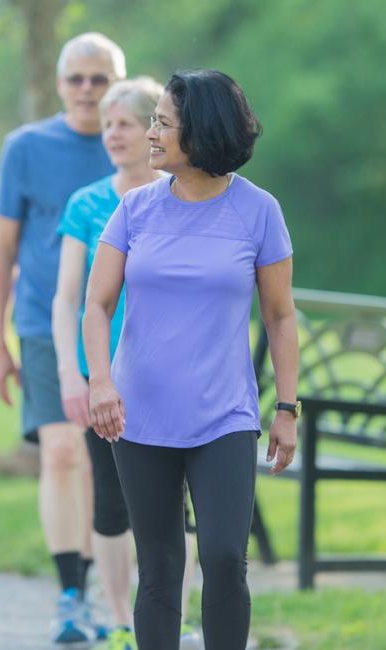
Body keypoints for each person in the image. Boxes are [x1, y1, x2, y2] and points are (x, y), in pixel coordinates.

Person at [83, 69, 298, 650]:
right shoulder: (135, 209)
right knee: (159, 569)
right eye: (152, 121)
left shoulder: (258, 212)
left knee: (226, 557)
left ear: (201, 133)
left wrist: (286, 407)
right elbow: (97, 305)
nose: (150, 134)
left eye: (163, 123)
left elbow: (280, 316)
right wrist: (100, 382)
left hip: (224, 416)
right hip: (140, 417)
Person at [52, 77, 204, 650]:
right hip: (107, 381)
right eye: (107, 124)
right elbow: (67, 298)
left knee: (176, 508)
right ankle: (120, 623)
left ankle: (177, 622)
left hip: (174, 380)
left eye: (124, 123)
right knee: (112, 505)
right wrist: (75, 373)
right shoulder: (87, 203)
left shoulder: (188, 197)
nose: (111, 134)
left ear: (155, 129)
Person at [0, 31, 123, 643]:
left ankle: (102, 589)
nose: (88, 91)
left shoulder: (138, 143)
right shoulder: (26, 147)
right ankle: (70, 594)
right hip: (46, 321)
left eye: (100, 79)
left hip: (125, 327)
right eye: (77, 79)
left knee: (104, 464)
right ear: (62, 83)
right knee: (64, 451)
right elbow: (2, 246)